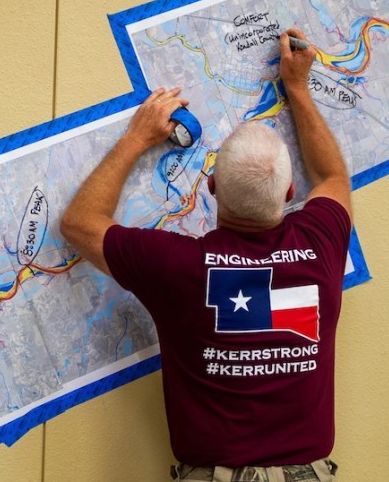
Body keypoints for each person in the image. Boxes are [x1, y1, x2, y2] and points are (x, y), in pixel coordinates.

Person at [60, 29, 351, 482]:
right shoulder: (322, 242)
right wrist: (297, 88)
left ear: (211, 190)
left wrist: (137, 138)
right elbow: (332, 176)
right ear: (291, 193)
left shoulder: (174, 267)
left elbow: (79, 222)